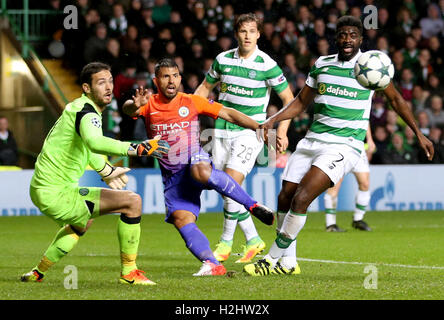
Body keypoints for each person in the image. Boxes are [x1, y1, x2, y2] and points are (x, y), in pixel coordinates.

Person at [244, 16, 434, 276]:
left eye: (353, 35)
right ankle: (289, 262)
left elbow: (397, 100)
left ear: (360, 39)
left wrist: (418, 133)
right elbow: (300, 103)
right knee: (285, 197)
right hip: (312, 140)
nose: (347, 40)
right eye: (343, 35)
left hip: (343, 145)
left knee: (302, 198)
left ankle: (270, 260)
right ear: (336, 38)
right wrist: (273, 121)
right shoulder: (322, 64)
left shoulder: (371, 66)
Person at [21, 62, 170, 285]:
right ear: (87, 88)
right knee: (132, 202)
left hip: (46, 189)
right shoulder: (87, 113)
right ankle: (129, 273)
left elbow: (86, 146)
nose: (108, 87)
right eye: (101, 83)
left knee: (82, 223)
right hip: (56, 193)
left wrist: (106, 170)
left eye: (110, 81)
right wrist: (137, 148)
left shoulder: (78, 108)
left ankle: (37, 273)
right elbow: (95, 142)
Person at [122, 58, 274, 276]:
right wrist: (133, 105)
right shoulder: (148, 104)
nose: (171, 81)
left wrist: (258, 127)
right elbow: (128, 109)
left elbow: (229, 113)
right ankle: (212, 264)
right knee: (181, 218)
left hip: (195, 159)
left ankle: (252, 205)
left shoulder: (191, 101)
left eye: (175, 75)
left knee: (201, 170)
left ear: (180, 78)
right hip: (172, 176)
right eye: (165, 76)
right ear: (156, 81)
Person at [194, 13, 294, 264]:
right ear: (236, 33)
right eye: (243, 31)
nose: (247, 35)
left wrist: (281, 131)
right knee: (226, 188)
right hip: (221, 130)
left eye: (252, 31)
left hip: (251, 132)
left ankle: (226, 243)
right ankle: (252, 239)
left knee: (229, 182)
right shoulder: (222, 60)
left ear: (259, 34)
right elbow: (204, 90)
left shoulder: (267, 64)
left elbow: (288, 100)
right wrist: (189, 115)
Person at [324, 126, 376, 232]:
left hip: (358, 146)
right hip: (340, 146)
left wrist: (369, 139)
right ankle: (330, 224)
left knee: (365, 184)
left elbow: (365, 119)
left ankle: (358, 219)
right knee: (335, 184)